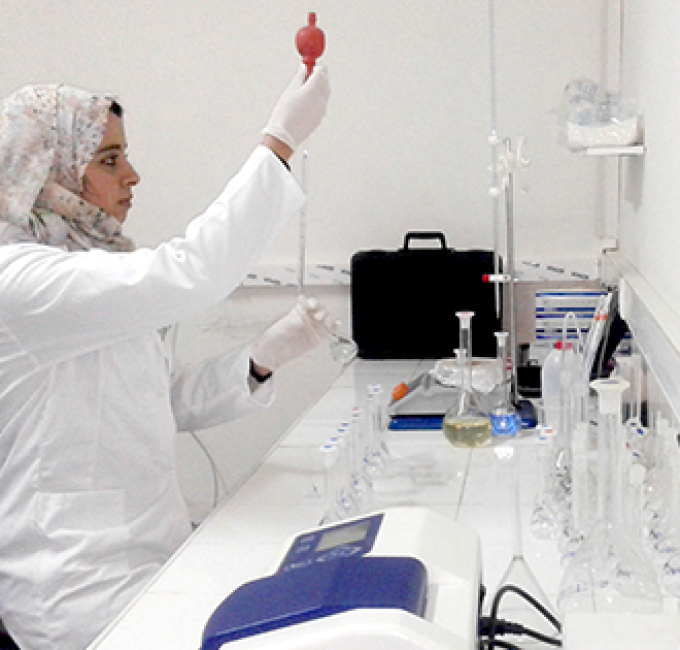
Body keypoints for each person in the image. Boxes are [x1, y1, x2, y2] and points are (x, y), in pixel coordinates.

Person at [0, 65, 331, 649]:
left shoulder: (87, 266)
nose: (132, 175)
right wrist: (278, 143)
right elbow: (192, 271)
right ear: (46, 172)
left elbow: (158, 402)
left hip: (147, 556)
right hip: (75, 586)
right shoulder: (22, 279)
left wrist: (257, 361)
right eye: (109, 160)